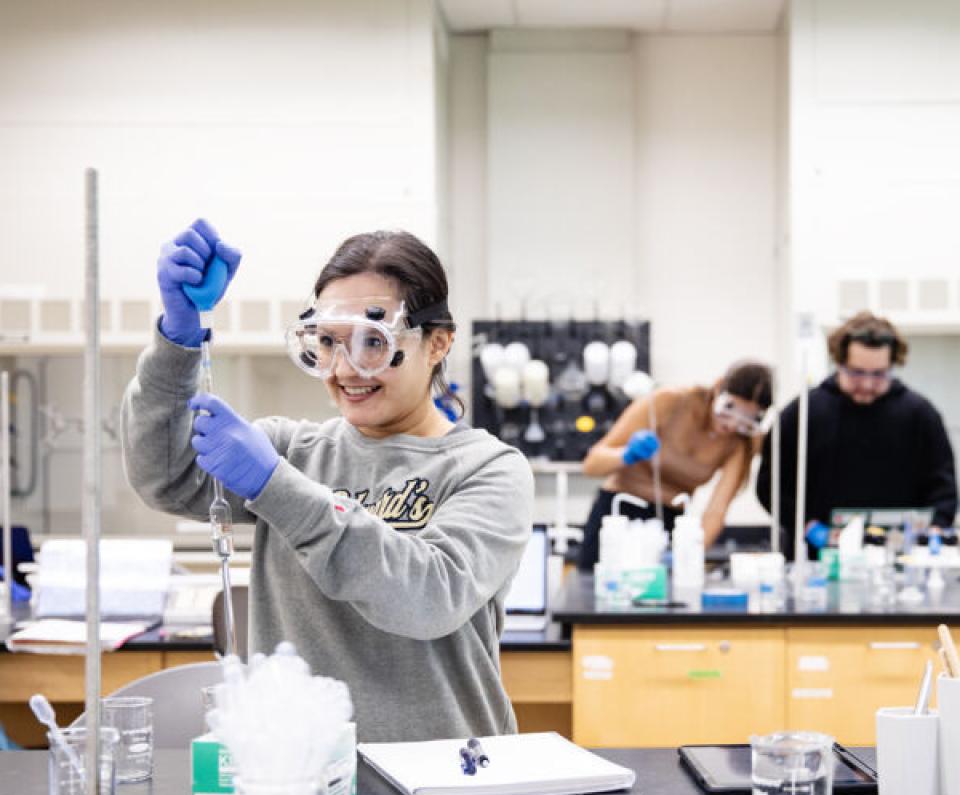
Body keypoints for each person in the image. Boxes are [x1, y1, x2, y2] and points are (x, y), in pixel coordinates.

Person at [121, 219, 534, 742]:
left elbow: (428, 597)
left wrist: (276, 486)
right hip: (298, 771)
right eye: (326, 344)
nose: (345, 370)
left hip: (443, 776)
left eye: (372, 343)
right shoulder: (292, 451)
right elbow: (166, 475)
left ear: (437, 343)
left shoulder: (488, 468)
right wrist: (175, 342)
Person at [757, 311, 958, 556]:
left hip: (900, 562)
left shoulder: (920, 415)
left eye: (879, 374)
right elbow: (771, 486)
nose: (867, 384)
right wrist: (809, 526)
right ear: (839, 361)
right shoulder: (803, 413)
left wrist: (936, 529)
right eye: (856, 372)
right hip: (816, 562)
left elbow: (943, 488)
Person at [577, 361, 773, 571]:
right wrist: (625, 455)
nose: (732, 425)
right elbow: (591, 465)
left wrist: (691, 555)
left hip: (668, 523)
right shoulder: (669, 402)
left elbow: (716, 511)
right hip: (617, 514)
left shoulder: (739, 444)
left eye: (747, 420)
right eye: (730, 409)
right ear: (718, 387)